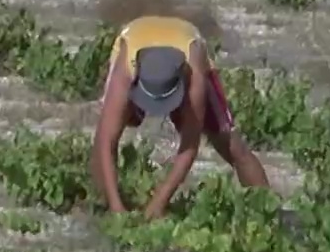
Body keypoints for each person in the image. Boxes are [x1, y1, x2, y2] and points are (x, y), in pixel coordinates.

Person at [91, 13, 271, 219]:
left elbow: (189, 146)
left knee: (230, 143)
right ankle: (106, 205)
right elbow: (106, 143)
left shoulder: (194, 74)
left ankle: (267, 213)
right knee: (103, 138)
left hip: (187, 46)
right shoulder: (126, 68)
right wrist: (117, 209)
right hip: (135, 39)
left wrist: (160, 201)